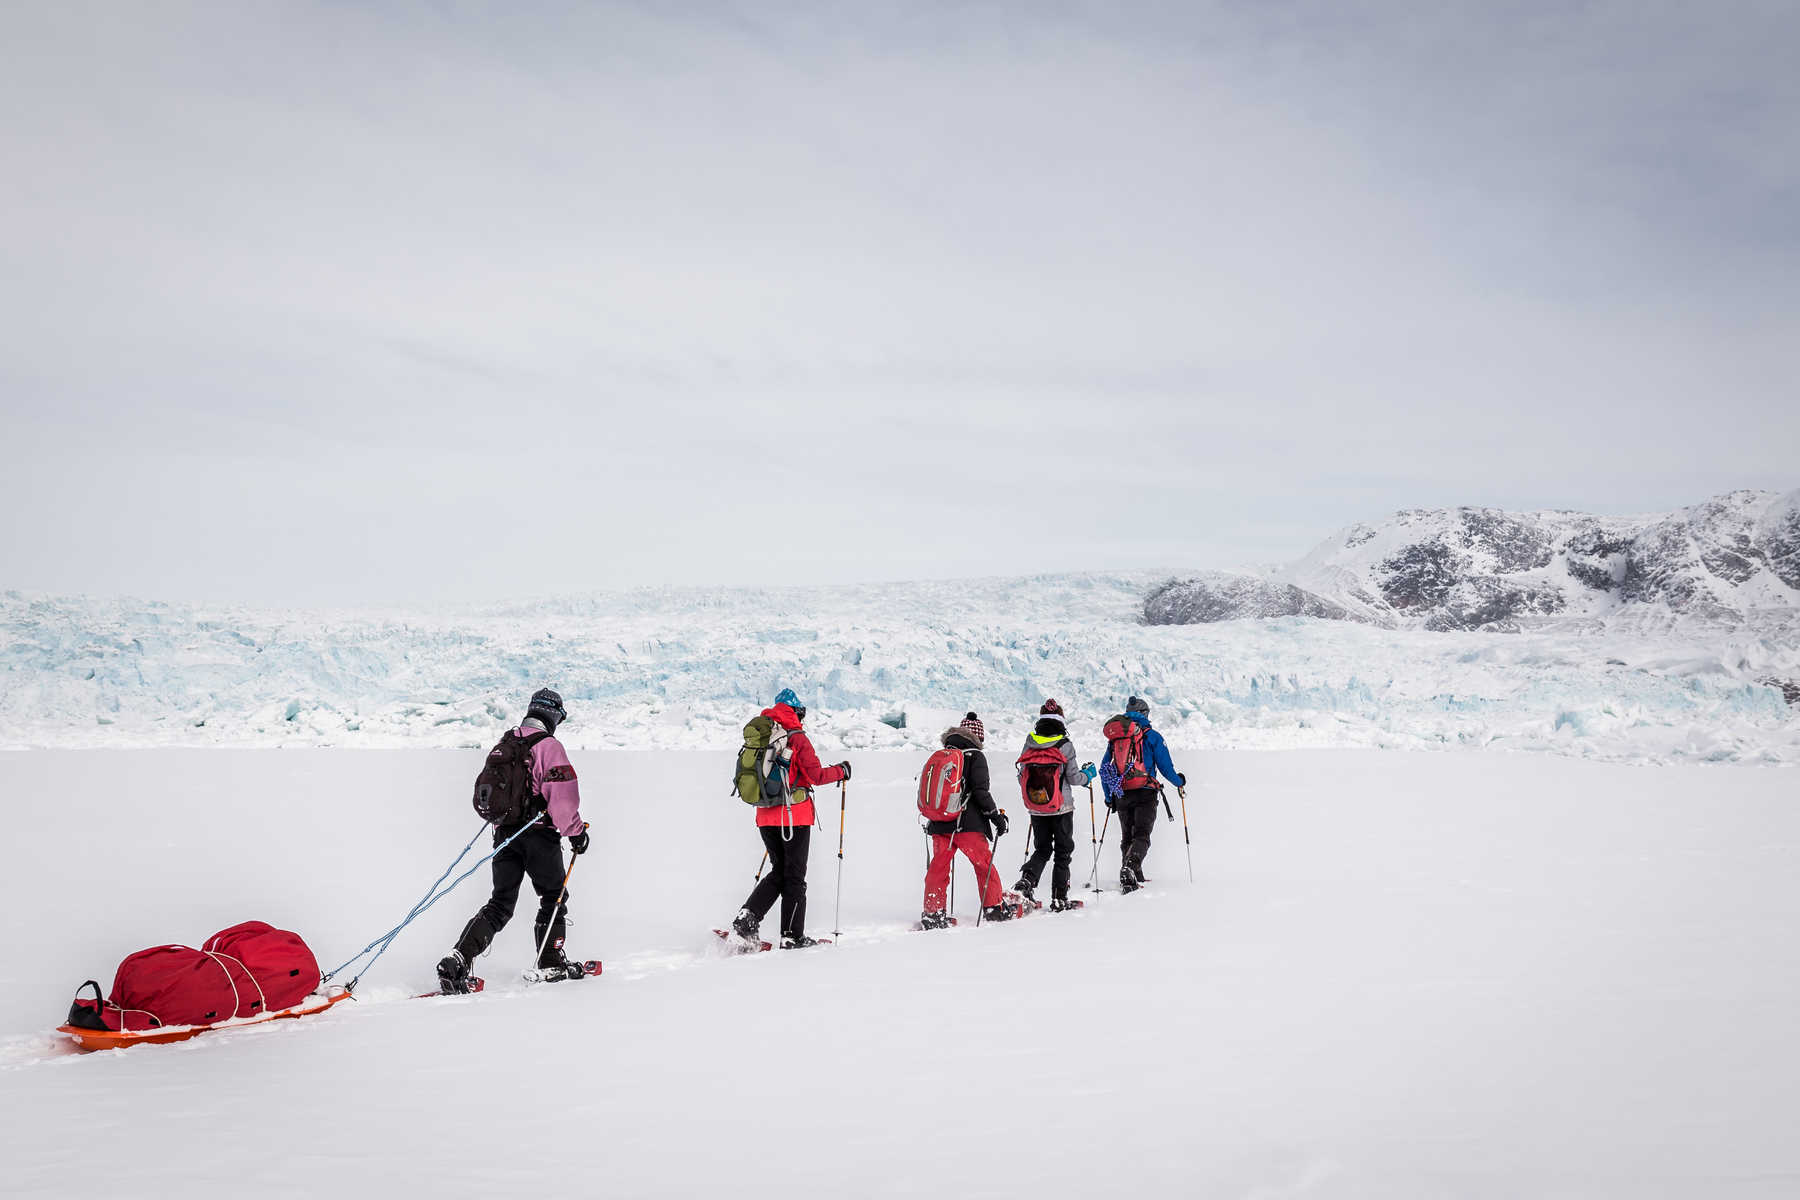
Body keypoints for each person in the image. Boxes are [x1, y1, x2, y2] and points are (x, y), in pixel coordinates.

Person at [439, 688, 590, 992]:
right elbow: (562, 803)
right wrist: (576, 833)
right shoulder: (549, 747)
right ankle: (550, 959)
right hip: (539, 837)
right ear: (553, 715)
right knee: (553, 896)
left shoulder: (506, 743)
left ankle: (458, 959)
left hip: (505, 835)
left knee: (500, 903)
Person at [728, 688, 850, 949]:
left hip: (765, 815)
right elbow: (816, 776)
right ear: (797, 711)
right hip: (794, 816)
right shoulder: (796, 737)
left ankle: (747, 919)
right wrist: (841, 771)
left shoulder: (763, 733)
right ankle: (792, 936)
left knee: (780, 871)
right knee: (794, 876)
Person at [920, 712, 1014, 928]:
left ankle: (933, 914)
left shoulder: (942, 755)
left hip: (940, 823)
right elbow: (981, 792)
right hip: (968, 826)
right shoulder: (976, 756)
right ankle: (994, 908)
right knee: (984, 866)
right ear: (978, 737)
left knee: (938, 868)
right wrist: (996, 817)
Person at [1012, 699, 1096, 912]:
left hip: (1036, 807)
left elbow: (1022, 773)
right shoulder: (1065, 744)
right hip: (1061, 808)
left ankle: (1025, 884)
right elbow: (1075, 778)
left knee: (1042, 849)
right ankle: (1059, 898)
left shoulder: (1030, 741)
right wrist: (1089, 775)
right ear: (1061, 720)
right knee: (1063, 851)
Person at [1107, 695, 1185, 893]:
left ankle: (1133, 874)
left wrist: (1109, 796)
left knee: (1127, 837)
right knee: (1142, 836)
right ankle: (1130, 869)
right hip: (1146, 792)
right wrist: (1179, 781)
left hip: (1122, 792)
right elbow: (1166, 768)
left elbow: (1104, 767)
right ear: (1144, 714)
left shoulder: (1117, 738)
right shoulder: (1152, 736)